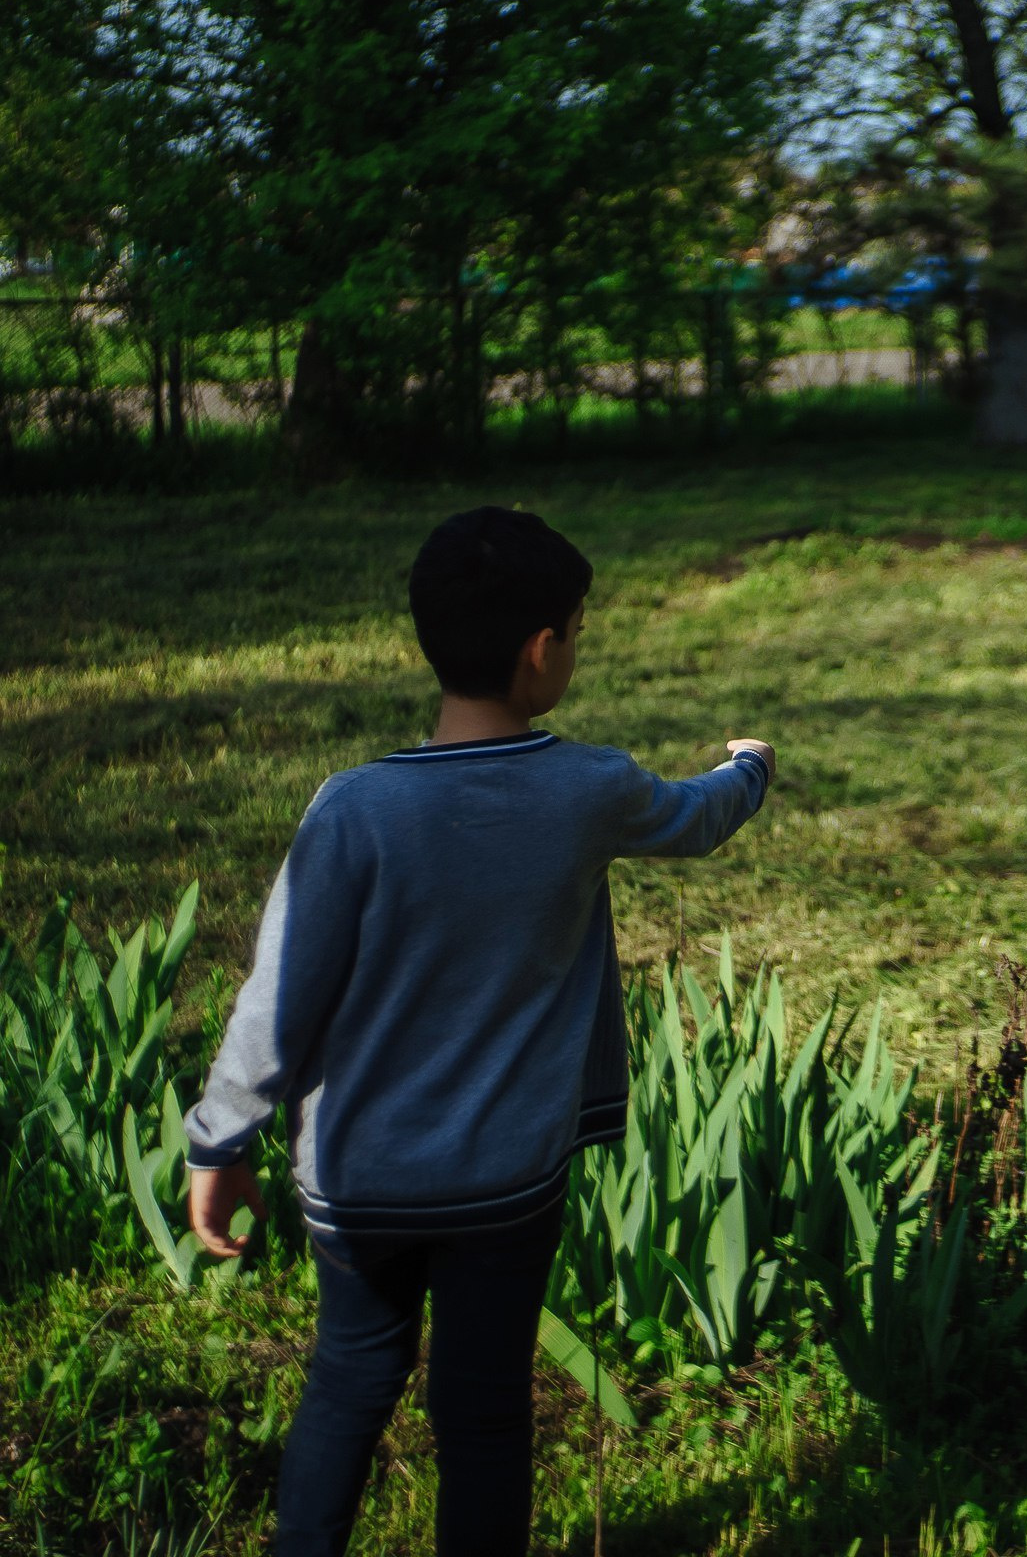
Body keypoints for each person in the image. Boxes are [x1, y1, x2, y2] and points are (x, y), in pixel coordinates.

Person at [182, 506, 776, 1557]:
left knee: (350, 1380)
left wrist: (219, 1142)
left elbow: (276, 1003)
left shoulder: (353, 809)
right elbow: (698, 815)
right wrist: (750, 765)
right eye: (577, 633)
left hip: (358, 1181)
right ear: (542, 650)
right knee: (486, 1412)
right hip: (506, 1183)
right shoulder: (588, 789)